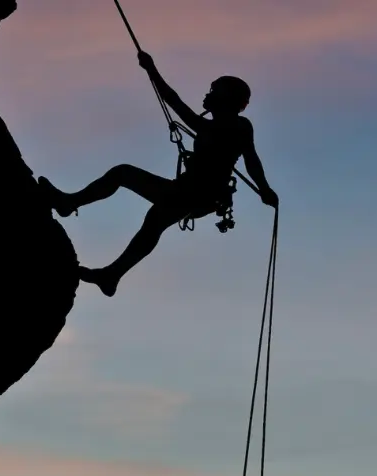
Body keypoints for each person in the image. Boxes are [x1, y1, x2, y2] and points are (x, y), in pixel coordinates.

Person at [38, 51, 279, 297]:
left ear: (227, 98)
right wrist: (264, 189)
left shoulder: (234, 126)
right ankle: (112, 274)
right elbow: (177, 104)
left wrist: (151, 70)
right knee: (153, 223)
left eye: (214, 90)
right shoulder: (222, 126)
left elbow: (250, 159)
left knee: (124, 175)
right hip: (196, 195)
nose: (208, 94)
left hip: (193, 193)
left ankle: (70, 204)